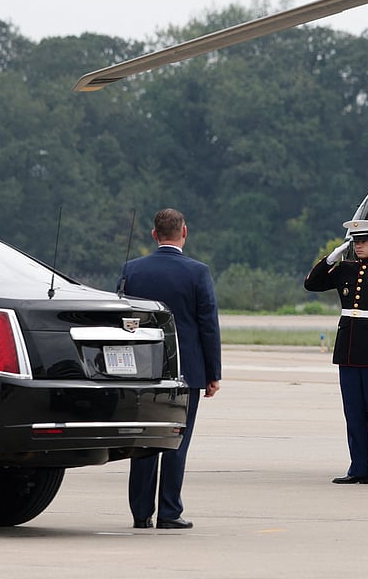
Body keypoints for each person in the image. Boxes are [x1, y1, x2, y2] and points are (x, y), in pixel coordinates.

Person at [119, 208, 222, 530]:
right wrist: (212, 373)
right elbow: (208, 325)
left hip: (142, 370)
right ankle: (169, 511)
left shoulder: (132, 269)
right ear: (184, 232)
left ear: (154, 234)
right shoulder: (197, 272)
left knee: (144, 441)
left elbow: (121, 319)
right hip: (185, 369)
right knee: (176, 442)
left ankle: (140, 512)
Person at [304, 219, 368, 486]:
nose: (359, 246)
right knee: (353, 412)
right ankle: (358, 467)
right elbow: (311, 284)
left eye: (364, 240)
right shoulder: (344, 269)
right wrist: (330, 259)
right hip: (348, 350)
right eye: (355, 241)